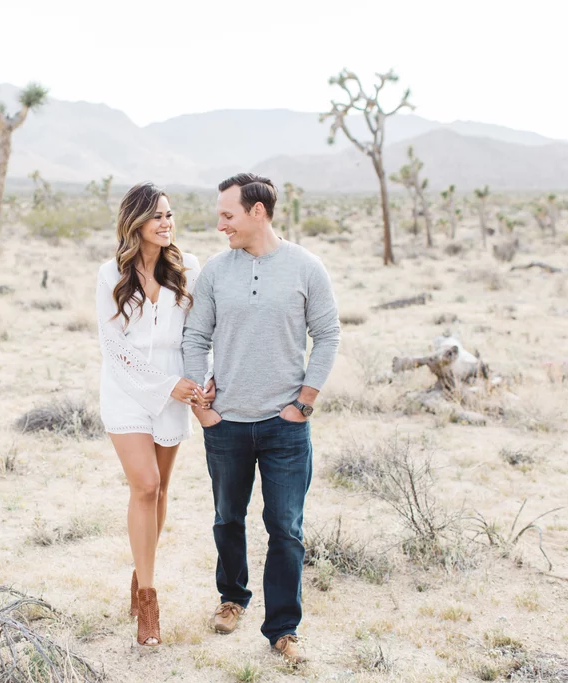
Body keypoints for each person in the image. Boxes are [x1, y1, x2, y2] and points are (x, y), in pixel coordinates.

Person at [182, 173, 340, 666]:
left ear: (257, 212)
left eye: (227, 214)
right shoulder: (214, 271)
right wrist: (200, 404)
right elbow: (194, 338)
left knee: (285, 527)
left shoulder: (305, 267)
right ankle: (232, 597)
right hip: (226, 423)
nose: (219, 224)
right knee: (228, 517)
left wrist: (304, 403)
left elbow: (328, 335)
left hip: (284, 425)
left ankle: (283, 629)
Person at [95, 182, 206, 646]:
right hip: (127, 390)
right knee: (144, 485)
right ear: (136, 222)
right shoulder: (109, 275)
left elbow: (200, 334)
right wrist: (163, 385)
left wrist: (196, 386)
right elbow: (113, 346)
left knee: (161, 492)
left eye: (170, 215)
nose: (167, 222)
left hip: (176, 389)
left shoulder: (188, 269)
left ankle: (139, 572)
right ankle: (148, 600)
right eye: (157, 216)